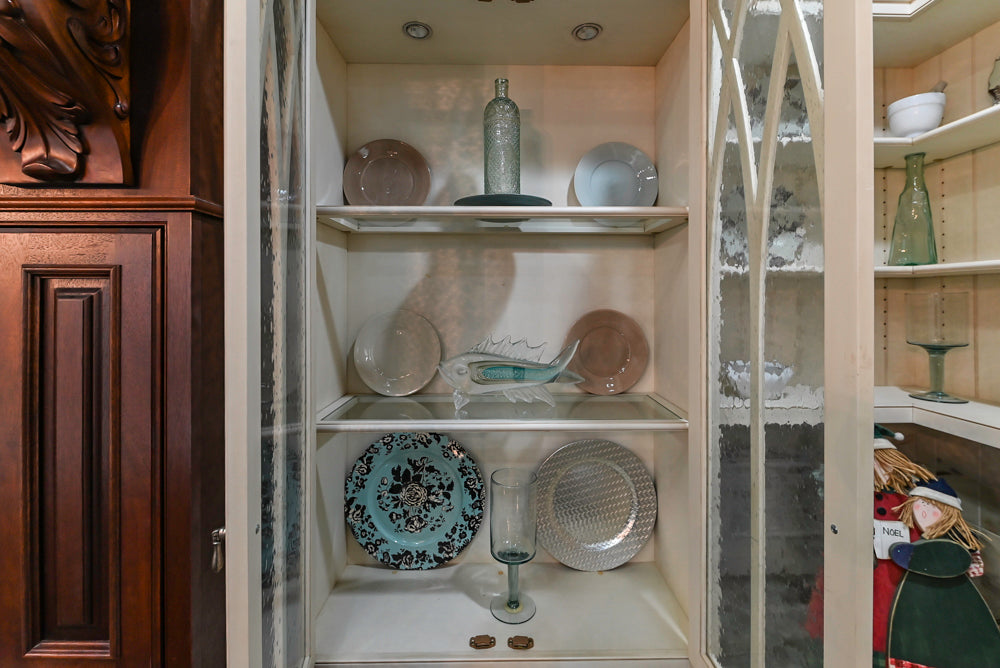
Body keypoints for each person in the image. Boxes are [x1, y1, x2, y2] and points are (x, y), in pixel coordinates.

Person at [886, 479, 1000, 668]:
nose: (923, 512)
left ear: (947, 512)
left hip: (943, 621)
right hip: (924, 620)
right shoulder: (928, 541)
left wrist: (910, 555)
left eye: (931, 507)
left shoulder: (949, 543)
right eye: (919, 506)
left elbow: (955, 560)